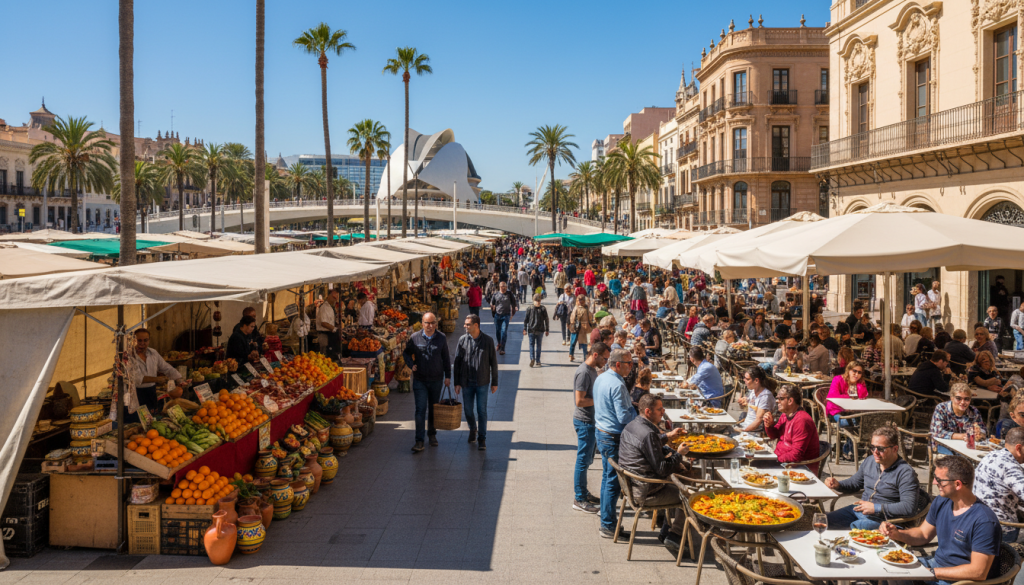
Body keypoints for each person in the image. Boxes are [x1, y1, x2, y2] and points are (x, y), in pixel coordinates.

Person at [880, 456, 1003, 585]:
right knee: (887, 568)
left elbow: (978, 572)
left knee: (898, 577)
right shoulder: (942, 501)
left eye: (939, 480)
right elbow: (923, 534)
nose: (934, 482)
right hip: (936, 566)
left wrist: (930, 573)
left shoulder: (985, 522)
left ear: (957, 484)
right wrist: (897, 534)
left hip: (960, 580)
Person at [619, 393, 690, 553]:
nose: (663, 412)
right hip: (645, 491)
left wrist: (667, 437)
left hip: (631, 486)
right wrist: (679, 454)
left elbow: (649, 443)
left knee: (680, 476)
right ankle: (675, 535)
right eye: (659, 409)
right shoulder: (649, 434)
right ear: (648, 412)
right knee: (687, 494)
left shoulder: (633, 425)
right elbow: (662, 468)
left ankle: (666, 528)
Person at [825, 426, 920, 530]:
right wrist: (838, 484)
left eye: (880, 449)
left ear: (895, 449)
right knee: (824, 521)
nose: (875, 452)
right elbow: (855, 483)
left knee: (859, 526)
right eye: (872, 447)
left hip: (887, 521)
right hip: (860, 511)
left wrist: (876, 508)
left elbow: (908, 507)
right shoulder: (870, 461)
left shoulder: (905, 472)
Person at [593, 349, 637, 539]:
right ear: (618, 364)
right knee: (613, 482)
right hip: (613, 437)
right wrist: (638, 415)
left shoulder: (601, 378)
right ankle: (608, 525)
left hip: (602, 432)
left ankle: (605, 516)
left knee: (607, 477)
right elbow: (623, 417)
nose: (631, 367)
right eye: (629, 363)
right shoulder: (617, 384)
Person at [403, 312, 452, 452]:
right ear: (422, 323)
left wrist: (448, 376)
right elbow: (406, 352)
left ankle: (432, 435)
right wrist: (410, 364)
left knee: (433, 409)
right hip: (420, 380)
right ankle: (419, 441)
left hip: (436, 379)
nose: (430, 326)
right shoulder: (414, 337)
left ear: (436, 323)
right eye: (427, 323)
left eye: (432, 323)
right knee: (420, 410)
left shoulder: (441, 338)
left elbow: (446, 358)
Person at [572, 342, 610, 514]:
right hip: (585, 422)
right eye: (604, 358)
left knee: (587, 460)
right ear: (595, 355)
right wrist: (601, 400)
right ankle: (579, 498)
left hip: (591, 421)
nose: (605, 362)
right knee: (582, 460)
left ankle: (584, 492)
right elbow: (579, 401)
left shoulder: (593, 370)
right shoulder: (583, 372)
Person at [453, 314, 499, 450]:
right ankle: (473, 428)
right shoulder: (462, 340)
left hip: (482, 381)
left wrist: (494, 382)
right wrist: (457, 382)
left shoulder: (488, 341)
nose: (465, 326)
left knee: (481, 410)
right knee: (467, 410)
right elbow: (457, 362)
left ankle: (482, 438)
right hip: (466, 382)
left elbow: (493, 363)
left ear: (476, 325)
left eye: (467, 324)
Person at [974, 427, 1024, 543]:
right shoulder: (1010, 467)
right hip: (1000, 529)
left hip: (977, 519)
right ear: (1019, 448)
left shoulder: (991, 456)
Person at [763, 384, 821, 474]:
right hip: (782, 461)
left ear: (790, 400)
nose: (777, 401)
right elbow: (774, 435)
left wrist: (774, 459)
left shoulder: (802, 420)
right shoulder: (785, 414)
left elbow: (796, 455)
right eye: (777, 398)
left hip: (797, 468)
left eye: (781, 398)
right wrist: (769, 425)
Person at [130, 328, 183, 422]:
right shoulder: (130, 356)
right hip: (136, 393)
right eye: (139, 340)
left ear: (149, 340)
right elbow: (137, 378)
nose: (142, 343)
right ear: (134, 341)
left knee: (152, 419)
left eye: (145, 340)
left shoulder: (153, 353)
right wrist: (158, 379)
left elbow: (166, 367)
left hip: (151, 392)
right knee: (139, 421)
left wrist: (179, 378)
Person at [827, 361, 869, 459]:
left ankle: (848, 448)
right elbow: (833, 395)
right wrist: (849, 396)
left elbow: (863, 396)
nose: (856, 374)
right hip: (835, 410)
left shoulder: (859, 383)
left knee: (862, 421)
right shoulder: (837, 379)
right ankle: (850, 450)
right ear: (848, 370)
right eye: (854, 371)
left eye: (859, 372)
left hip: (853, 410)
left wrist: (859, 384)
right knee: (847, 423)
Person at [931, 382, 986, 455]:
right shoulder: (941, 409)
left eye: (967, 399)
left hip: (965, 446)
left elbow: (983, 430)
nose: (963, 402)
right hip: (943, 445)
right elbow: (938, 432)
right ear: (952, 398)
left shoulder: (974, 411)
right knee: (956, 461)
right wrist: (963, 436)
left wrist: (979, 434)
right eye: (958, 398)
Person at [734, 366, 776, 436]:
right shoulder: (753, 391)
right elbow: (748, 409)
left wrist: (743, 430)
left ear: (756, 381)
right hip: (746, 425)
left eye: (747, 379)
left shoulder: (765, 396)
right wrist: (743, 403)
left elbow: (758, 420)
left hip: (755, 432)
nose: (744, 380)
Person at [490, 281, 518, 355]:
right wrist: (492, 310)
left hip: (506, 315)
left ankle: (502, 348)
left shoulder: (509, 293)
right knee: (498, 331)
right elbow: (492, 304)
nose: (504, 288)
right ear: (500, 287)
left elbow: (513, 301)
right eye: (503, 286)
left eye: (505, 286)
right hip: (497, 315)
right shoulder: (496, 294)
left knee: (504, 331)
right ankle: (499, 343)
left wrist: (515, 307)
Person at [523, 294, 550, 368]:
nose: (538, 302)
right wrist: (525, 328)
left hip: (540, 330)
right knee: (532, 345)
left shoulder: (543, 309)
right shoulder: (530, 308)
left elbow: (546, 320)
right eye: (536, 301)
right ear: (533, 301)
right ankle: (533, 359)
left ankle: (537, 360)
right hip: (532, 330)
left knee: (538, 346)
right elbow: (526, 320)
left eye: (539, 301)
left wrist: (547, 329)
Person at [568, 294, 595, 362]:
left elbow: (590, 317)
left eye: (581, 300)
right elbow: (573, 317)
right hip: (577, 327)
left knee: (585, 344)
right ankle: (571, 354)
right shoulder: (576, 308)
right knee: (573, 342)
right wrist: (572, 325)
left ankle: (585, 357)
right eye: (579, 300)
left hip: (586, 328)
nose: (580, 301)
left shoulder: (586, 308)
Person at [316, 289, 340, 359]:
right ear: (329, 296)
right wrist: (335, 329)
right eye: (334, 297)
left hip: (330, 335)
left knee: (331, 355)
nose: (335, 299)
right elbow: (324, 323)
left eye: (336, 298)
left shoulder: (330, 307)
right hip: (324, 336)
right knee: (325, 355)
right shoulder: (324, 307)